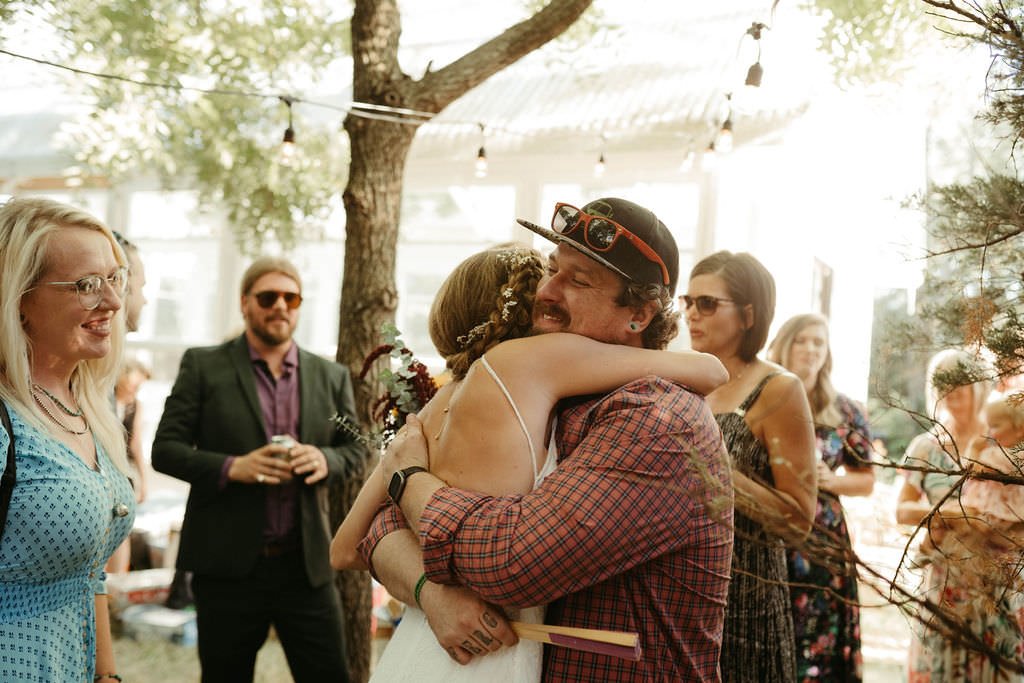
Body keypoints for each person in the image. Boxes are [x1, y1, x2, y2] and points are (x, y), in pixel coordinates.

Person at [361, 198, 735, 682]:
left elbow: (511, 560)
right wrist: (429, 590)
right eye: (553, 268)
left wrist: (408, 478)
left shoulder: (659, 420)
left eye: (578, 281)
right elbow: (379, 524)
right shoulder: (548, 395)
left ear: (640, 315)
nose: (547, 289)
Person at [151, 256, 361, 683]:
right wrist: (233, 467)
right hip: (227, 569)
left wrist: (326, 458)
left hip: (306, 568)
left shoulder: (330, 375)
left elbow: (355, 448)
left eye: (291, 297)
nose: (280, 306)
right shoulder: (203, 365)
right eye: (268, 297)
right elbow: (164, 450)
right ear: (245, 303)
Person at [0, 196, 136, 682]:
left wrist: (108, 675)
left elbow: (91, 570)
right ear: (20, 301)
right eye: (86, 285)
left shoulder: (89, 404)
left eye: (114, 279)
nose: (114, 303)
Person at [683, 251, 817, 683]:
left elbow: (798, 520)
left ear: (748, 313)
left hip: (747, 592)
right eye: (687, 301)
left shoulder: (778, 389)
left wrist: (719, 470)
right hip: (683, 587)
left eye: (706, 304)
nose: (691, 314)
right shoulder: (682, 379)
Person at [766, 313, 874, 682]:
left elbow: (866, 481)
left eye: (819, 342)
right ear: (785, 344)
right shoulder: (764, 396)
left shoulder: (845, 410)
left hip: (822, 542)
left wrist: (829, 481)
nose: (811, 349)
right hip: (771, 531)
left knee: (819, 643)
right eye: (802, 340)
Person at [896, 348, 996, 681]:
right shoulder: (926, 446)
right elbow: (902, 509)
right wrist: (945, 514)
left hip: (995, 579)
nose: (950, 396)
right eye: (943, 388)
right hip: (943, 582)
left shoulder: (1004, 440)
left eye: (959, 387)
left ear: (977, 388)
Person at [105, 358, 152, 573]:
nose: (136, 388)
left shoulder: (135, 405)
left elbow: (136, 444)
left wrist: (144, 481)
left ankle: (119, 579)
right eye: (135, 382)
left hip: (123, 472)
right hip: (104, 469)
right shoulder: (105, 398)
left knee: (123, 526)